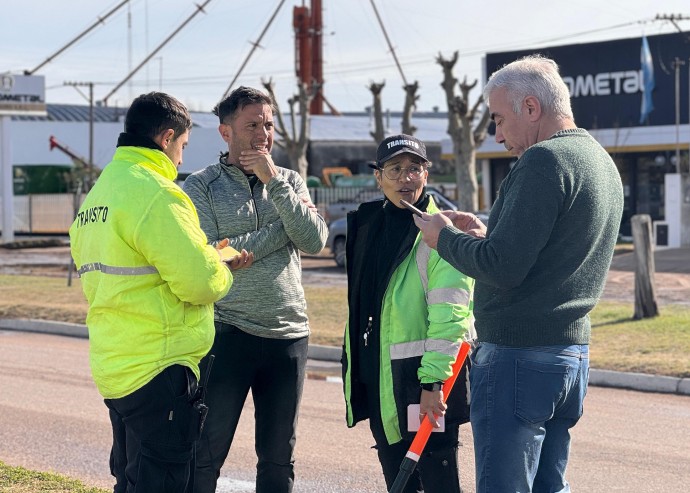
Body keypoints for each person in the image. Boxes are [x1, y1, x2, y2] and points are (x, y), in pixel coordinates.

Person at [414, 55, 625, 492]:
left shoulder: (543, 161)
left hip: (519, 356)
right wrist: (487, 233)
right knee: (550, 485)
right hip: (570, 355)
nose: (498, 135)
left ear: (531, 108)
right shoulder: (598, 159)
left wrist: (443, 238)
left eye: (499, 119)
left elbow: (502, 268)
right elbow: (546, 252)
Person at [69, 91, 253, 493]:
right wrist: (221, 266)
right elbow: (200, 283)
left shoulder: (99, 194)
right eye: (183, 146)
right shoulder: (157, 193)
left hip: (116, 364)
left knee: (133, 478)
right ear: (167, 137)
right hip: (160, 366)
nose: (183, 159)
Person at [182, 85, 328, 493]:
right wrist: (284, 230)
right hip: (228, 333)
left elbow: (315, 241)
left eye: (269, 124)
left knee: (279, 458)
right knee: (206, 452)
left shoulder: (290, 180)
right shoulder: (200, 186)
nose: (264, 133)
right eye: (252, 125)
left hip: (288, 336)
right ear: (225, 132)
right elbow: (216, 254)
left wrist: (274, 183)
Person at [342, 134, 475, 493]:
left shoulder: (441, 231)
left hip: (423, 381)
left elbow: (452, 315)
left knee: (437, 483)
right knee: (398, 483)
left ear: (426, 175)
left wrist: (432, 384)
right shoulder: (367, 225)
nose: (406, 178)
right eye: (395, 169)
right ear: (378, 177)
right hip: (380, 379)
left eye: (414, 168)